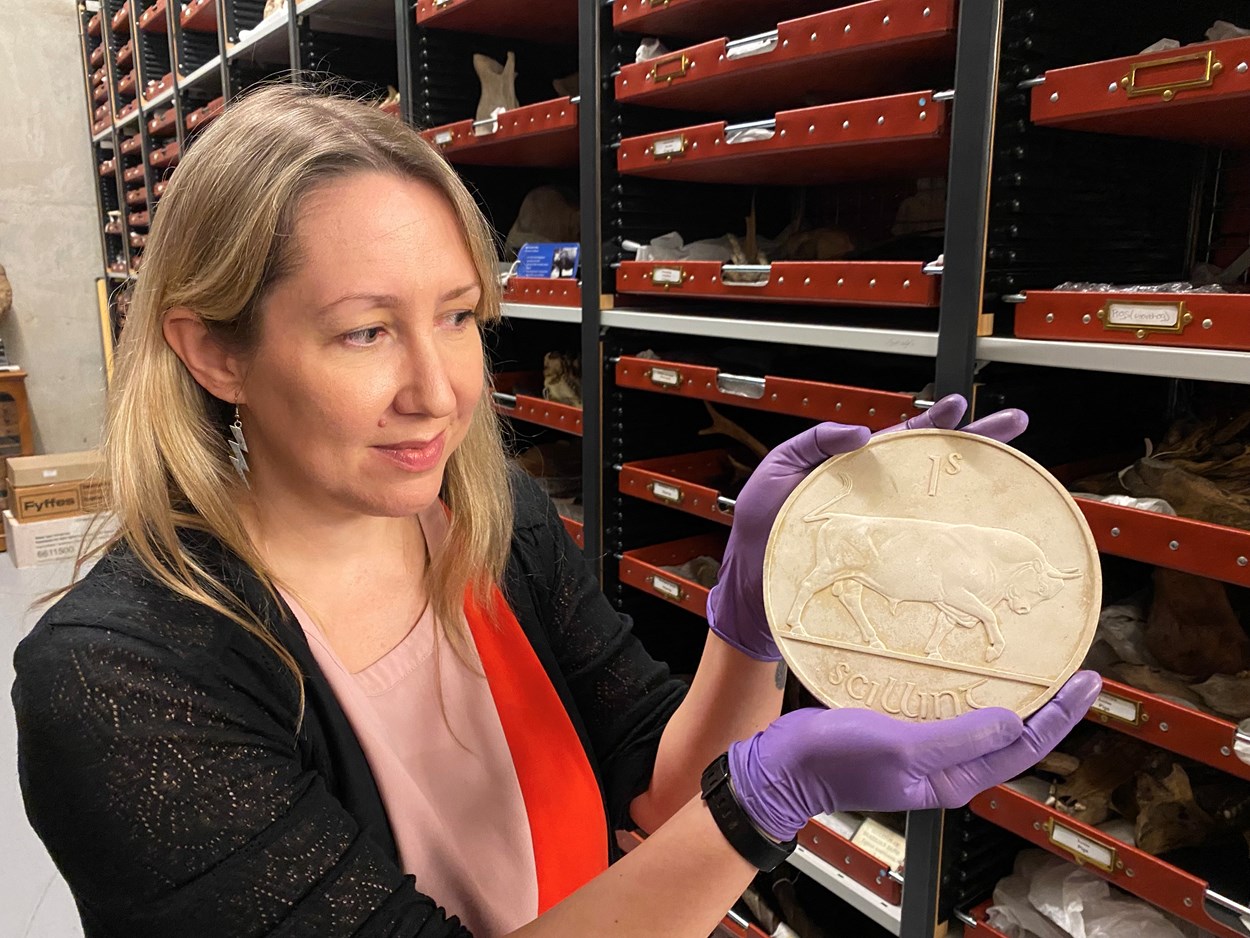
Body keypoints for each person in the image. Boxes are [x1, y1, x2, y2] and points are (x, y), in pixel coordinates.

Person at [11, 85, 1100, 938]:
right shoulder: (122, 682)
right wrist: (765, 797)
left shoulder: (492, 524)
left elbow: (659, 787)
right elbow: (711, 819)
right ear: (213, 349)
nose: (438, 392)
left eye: (454, 316)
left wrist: (749, 622)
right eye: (362, 331)